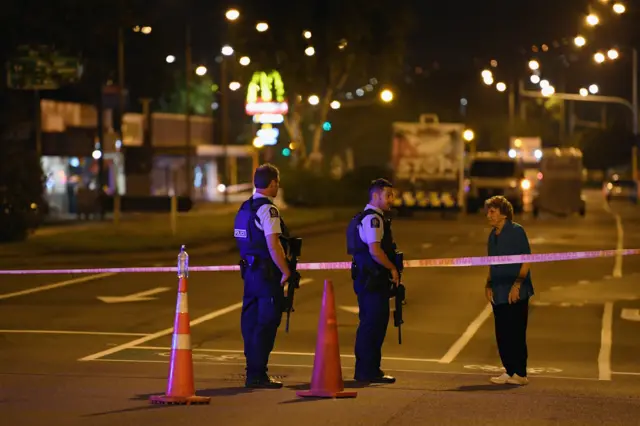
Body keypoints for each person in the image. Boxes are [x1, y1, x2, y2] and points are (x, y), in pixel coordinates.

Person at [233, 163, 291, 389]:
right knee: (266, 322)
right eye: (277, 183)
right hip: (267, 275)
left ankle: (253, 369)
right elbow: (273, 244)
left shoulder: (245, 208)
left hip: (250, 273)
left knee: (251, 321)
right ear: (273, 183)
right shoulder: (268, 210)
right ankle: (258, 374)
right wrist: (286, 270)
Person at [347, 178, 399, 384]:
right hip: (372, 279)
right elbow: (375, 250)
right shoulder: (373, 219)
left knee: (374, 324)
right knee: (372, 324)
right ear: (375, 196)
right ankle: (366, 371)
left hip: (369, 278)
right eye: (388, 195)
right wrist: (392, 268)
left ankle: (370, 369)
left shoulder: (371, 217)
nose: (391, 200)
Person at [484, 195, 534, 386]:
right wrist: (488, 285)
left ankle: (520, 373)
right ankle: (509, 369)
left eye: (492, 211)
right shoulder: (492, 236)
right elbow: (490, 263)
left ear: (503, 215)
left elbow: (526, 259)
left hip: (516, 291)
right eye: (488, 211)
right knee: (502, 333)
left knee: (516, 332)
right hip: (499, 291)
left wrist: (518, 285)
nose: (488, 215)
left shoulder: (516, 231)